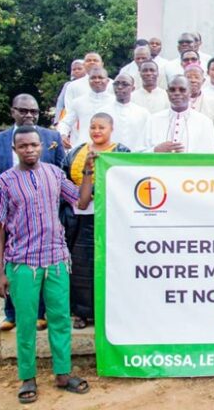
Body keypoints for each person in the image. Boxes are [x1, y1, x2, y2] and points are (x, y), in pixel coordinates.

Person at [0, 125, 91, 403]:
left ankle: (63, 373)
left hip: (57, 259)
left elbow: (81, 202)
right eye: (23, 146)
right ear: (15, 149)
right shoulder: (4, 182)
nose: (29, 150)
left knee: (60, 320)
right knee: (25, 322)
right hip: (22, 263)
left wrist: (88, 173)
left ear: (41, 146)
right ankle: (28, 377)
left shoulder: (54, 174)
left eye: (34, 145)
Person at [0, 95, 65, 332]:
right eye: (23, 110)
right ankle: (11, 314)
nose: (29, 115)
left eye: (34, 111)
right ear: (13, 112)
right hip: (7, 216)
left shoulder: (51, 138)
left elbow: (62, 174)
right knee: (10, 265)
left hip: (42, 217)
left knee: (40, 265)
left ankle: (38, 314)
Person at [63, 113, 130, 329]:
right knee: (80, 265)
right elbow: (65, 179)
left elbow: (126, 181)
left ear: (111, 129)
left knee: (109, 266)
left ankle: (108, 312)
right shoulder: (77, 152)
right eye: (93, 127)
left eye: (102, 127)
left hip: (110, 218)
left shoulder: (121, 152)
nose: (97, 131)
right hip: (79, 218)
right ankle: (81, 312)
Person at [144, 75, 214, 153]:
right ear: (167, 92)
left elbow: (211, 154)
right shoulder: (153, 120)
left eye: (182, 90)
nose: (177, 93)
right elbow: (139, 153)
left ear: (190, 92)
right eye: (172, 90)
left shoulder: (204, 122)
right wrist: (155, 150)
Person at [57, 67, 114, 149]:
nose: (97, 80)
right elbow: (65, 122)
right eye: (93, 78)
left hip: (110, 149)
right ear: (88, 81)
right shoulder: (78, 102)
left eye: (100, 77)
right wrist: (62, 135)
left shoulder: (115, 102)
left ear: (107, 81)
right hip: (83, 147)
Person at [104, 74, 150, 152]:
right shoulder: (103, 112)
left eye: (125, 84)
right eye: (116, 84)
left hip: (136, 155)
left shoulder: (143, 113)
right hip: (110, 155)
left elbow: (147, 139)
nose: (119, 87)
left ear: (133, 88)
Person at [53, 59, 85, 125]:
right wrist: (57, 120)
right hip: (69, 117)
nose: (76, 71)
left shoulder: (90, 84)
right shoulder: (68, 85)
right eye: (74, 69)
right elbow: (60, 102)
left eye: (79, 69)